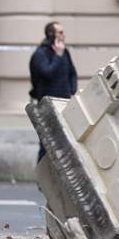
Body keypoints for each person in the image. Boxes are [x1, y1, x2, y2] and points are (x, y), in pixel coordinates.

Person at [30, 22, 78, 161]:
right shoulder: (40, 54)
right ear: (51, 34)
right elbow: (47, 73)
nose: (64, 35)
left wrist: (72, 90)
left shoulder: (65, 52)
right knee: (47, 144)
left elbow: (72, 73)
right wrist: (57, 56)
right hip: (47, 105)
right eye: (60, 32)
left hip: (64, 103)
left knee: (63, 143)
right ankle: (43, 180)